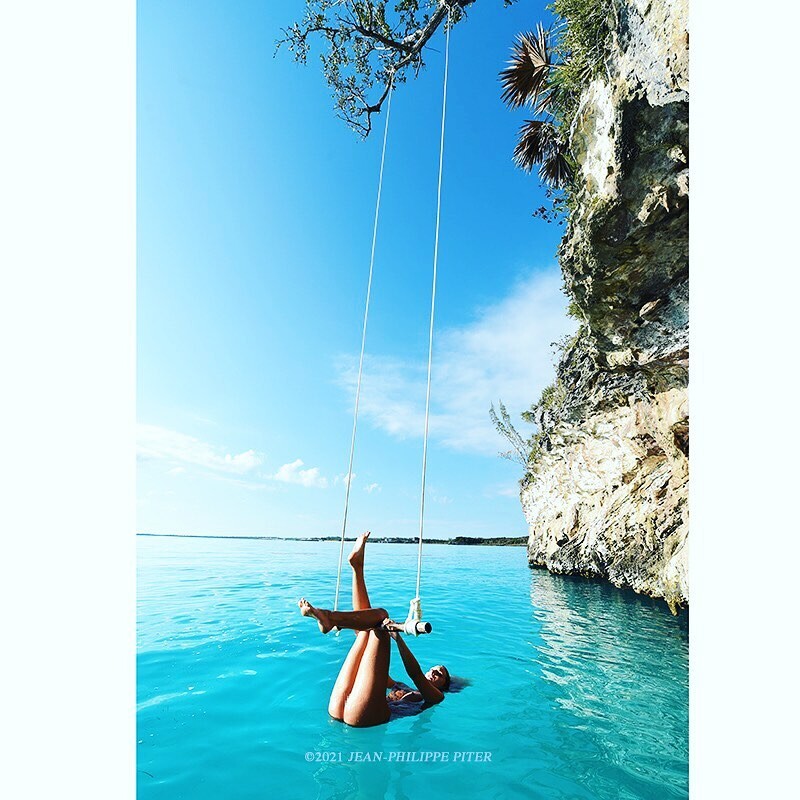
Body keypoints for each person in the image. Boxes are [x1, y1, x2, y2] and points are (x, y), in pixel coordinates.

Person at [298, 531, 451, 727]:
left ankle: (331, 617)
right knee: (366, 631)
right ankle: (356, 569)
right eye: (434, 669)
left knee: (380, 619)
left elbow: (415, 674)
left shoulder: (435, 697)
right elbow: (372, 665)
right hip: (342, 707)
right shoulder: (401, 687)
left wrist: (396, 637)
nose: (434, 673)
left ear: (443, 685)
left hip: (367, 717)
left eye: (439, 674)